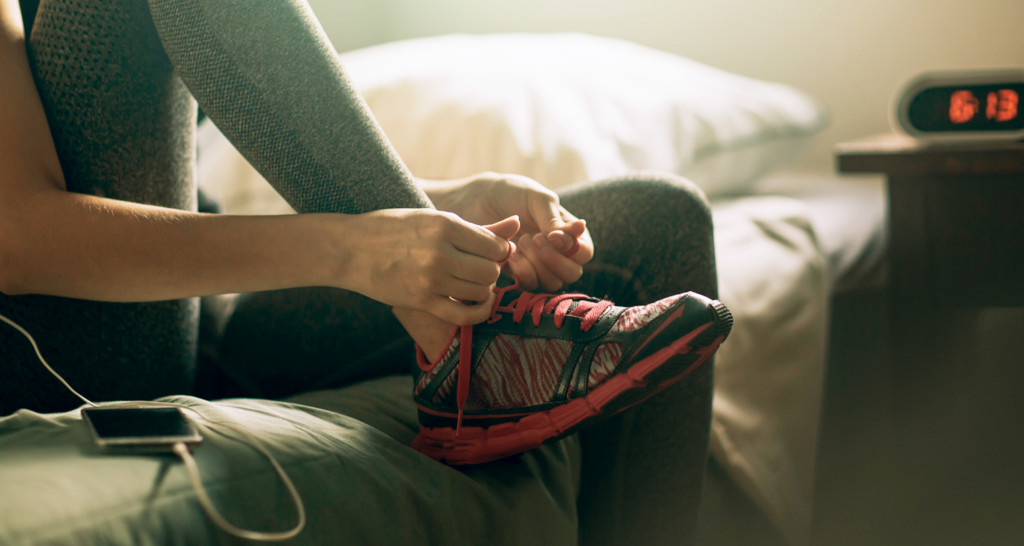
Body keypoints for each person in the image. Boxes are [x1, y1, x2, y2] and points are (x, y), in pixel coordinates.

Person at [0, 0, 729, 542]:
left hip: (200, 318)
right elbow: (18, 235)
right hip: (55, 343)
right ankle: (461, 336)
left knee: (658, 226)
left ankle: (465, 335)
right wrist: (354, 250)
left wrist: (433, 210)